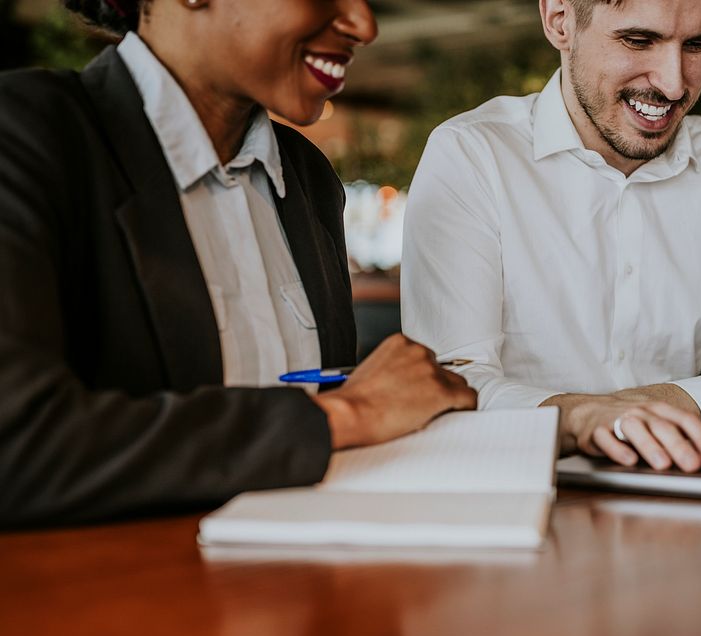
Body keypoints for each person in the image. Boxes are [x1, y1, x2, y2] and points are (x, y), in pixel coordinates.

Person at [0, 0, 476, 527]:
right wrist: (348, 415)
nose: (363, 25)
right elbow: (18, 446)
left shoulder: (308, 179)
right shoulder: (24, 136)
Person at [402, 0, 701, 472]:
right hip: (508, 487)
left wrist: (655, 404)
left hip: (674, 487)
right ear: (559, 21)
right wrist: (582, 417)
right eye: (638, 40)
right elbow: (446, 387)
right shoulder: (472, 153)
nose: (673, 83)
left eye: (696, 45)